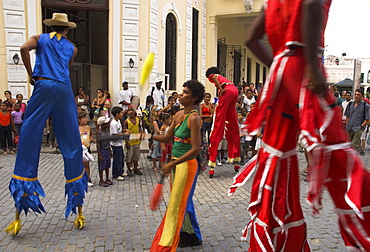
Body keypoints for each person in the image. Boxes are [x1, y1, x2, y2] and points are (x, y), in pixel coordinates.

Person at [229, 1, 370, 251]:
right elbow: (312, 4)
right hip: (304, 71)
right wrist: (311, 67)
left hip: (279, 77)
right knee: (338, 155)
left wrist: (278, 67)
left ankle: (271, 242)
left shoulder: (270, 2)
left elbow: (252, 40)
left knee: (275, 163)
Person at [7, 13, 87, 234]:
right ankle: (78, 209)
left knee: (29, 139)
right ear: (67, 29)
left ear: (51, 25)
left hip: (43, 85)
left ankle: (19, 207)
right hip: (63, 88)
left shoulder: (40, 38)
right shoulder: (73, 48)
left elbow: (24, 48)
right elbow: (67, 67)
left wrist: (31, 74)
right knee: (71, 143)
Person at [150, 79, 204, 251]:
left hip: (187, 165)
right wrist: (149, 137)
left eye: (186, 92)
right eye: (182, 91)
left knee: (179, 201)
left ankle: (180, 237)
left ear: (194, 98)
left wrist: (173, 163)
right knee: (182, 200)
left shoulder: (194, 118)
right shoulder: (179, 114)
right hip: (176, 164)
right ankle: (190, 235)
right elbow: (166, 138)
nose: (181, 94)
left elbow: (196, 149)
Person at [205, 67, 240, 177]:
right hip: (234, 91)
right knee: (231, 121)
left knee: (219, 121)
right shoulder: (225, 78)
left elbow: (214, 78)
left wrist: (221, 89)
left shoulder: (214, 76)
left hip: (228, 91)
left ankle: (212, 164)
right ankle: (236, 161)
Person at [345, 89, 370, 156]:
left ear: (362, 96)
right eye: (355, 94)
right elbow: (347, 116)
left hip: (358, 127)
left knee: (355, 143)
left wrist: (362, 126)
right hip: (350, 127)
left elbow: (367, 118)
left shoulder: (365, 106)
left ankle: (354, 159)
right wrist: (347, 125)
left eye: (358, 94)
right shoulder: (350, 104)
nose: (356, 96)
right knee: (349, 143)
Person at [123, 106, 144, 176]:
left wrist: (141, 133)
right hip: (130, 142)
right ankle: (129, 169)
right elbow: (125, 133)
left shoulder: (138, 120)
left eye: (132, 110)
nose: (131, 112)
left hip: (137, 141)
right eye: (129, 111)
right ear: (127, 113)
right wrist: (127, 142)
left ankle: (135, 168)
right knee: (129, 157)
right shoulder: (126, 122)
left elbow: (140, 128)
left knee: (136, 156)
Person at [110, 106, 130, 181]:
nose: (122, 114)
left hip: (120, 143)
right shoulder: (113, 123)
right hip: (115, 144)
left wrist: (124, 130)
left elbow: (119, 130)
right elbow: (114, 134)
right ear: (117, 114)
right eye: (121, 113)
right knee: (117, 159)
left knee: (121, 158)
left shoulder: (118, 121)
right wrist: (124, 135)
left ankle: (121, 171)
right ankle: (116, 174)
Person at [78, 110, 94, 187]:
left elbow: (91, 134)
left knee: (87, 164)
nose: (86, 119)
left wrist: (91, 138)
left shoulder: (88, 127)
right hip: (80, 148)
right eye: (84, 118)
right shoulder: (77, 128)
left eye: (86, 118)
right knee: (80, 164)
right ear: (79, 119)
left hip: (87, 148)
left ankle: (88, 178)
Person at [96, 116, 113, 187]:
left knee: (107, 165)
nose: (108, 124)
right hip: (102, 150)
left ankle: (107, 178)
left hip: (107, 149)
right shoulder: (99, 133)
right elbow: (98, 144)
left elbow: (108, 141)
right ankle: (101, 179)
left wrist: (110, 149)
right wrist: (99, 154)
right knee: (102, 165)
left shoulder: (107, 131)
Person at [150, 106, 163, 172]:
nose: (161, 112)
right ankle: (154, 165)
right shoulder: (155, 121)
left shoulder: (162, 120)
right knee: (155, 151)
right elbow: (158, 130)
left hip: (161, 137)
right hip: (157, 137)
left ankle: (160, 164)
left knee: (161, 152)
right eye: (160, 111)